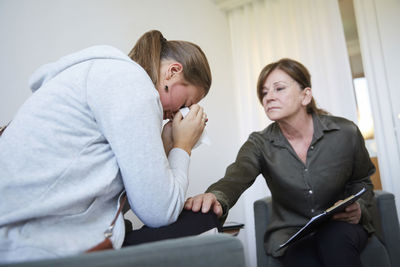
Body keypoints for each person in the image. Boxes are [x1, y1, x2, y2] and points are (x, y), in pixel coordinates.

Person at [0, 30, 218, 263]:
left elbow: (107, 205)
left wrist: (164, 145)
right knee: (203, 219)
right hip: (29, 246)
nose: (176, 114)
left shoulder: (105, 75)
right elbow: (160, 212)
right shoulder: (131, 83)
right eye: (186, 103)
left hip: (32, 234)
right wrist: (182, 146)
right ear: (173, 71)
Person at [185, 58, 375, 267]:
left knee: (334, 240)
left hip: (340, 226)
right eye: (264, 92)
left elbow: (362, 181)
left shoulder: (345, 132)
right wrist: (215, 197)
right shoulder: (259, 143)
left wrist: (360, 208)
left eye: (279, 89)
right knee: (302, 256)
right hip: (293, 233)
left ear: (305, 95)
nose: (269, 97)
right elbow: (236, 177)